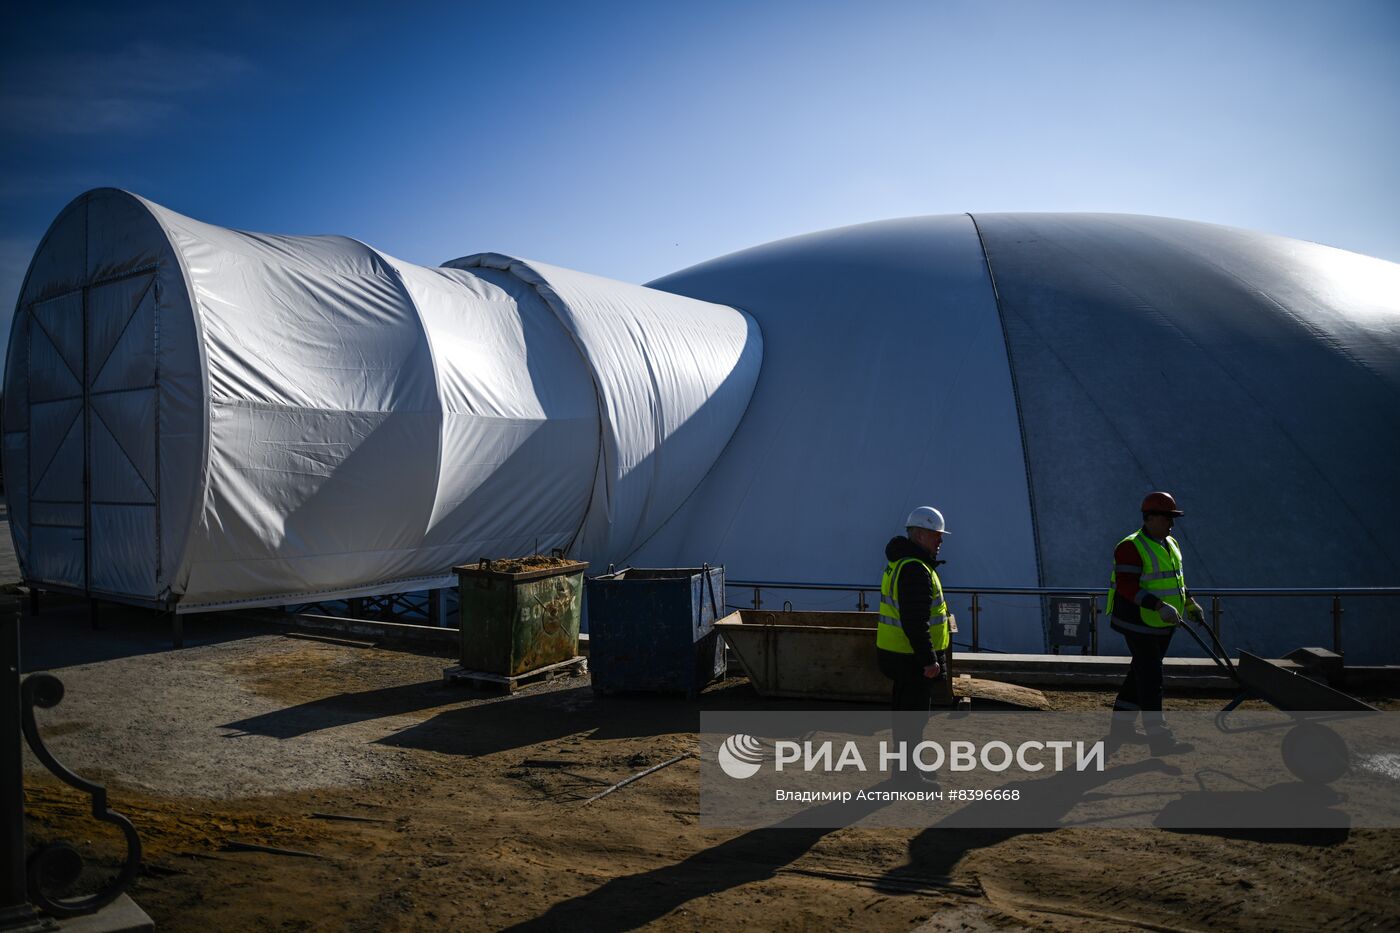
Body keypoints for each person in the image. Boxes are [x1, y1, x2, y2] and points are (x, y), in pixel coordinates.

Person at [1106, 491, 1204, 755]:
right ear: (1149, 518)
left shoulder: (1170, 543)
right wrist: (1159, 606)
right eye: (1167, 518)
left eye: (1173, 518)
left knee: (1140, 671)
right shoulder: (1130, 546)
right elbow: (1127, 586)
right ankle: (1160, 740)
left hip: (1163, 622)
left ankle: (1121, 728)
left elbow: (1176, 579)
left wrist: (1190, 603)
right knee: (1151, 678)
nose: (1172, 524)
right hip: (1139, 622)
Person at [877, 506, 952, 774]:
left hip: (897, 654)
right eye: (936, 534)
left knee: (905, 715)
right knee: (913, 718)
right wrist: (929, 660)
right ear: (920, 535)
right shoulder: (916, 570)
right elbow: (914, 620)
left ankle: (907, 769)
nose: (941, 540)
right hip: (911, 658)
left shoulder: (900, 563)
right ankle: (909, 776)